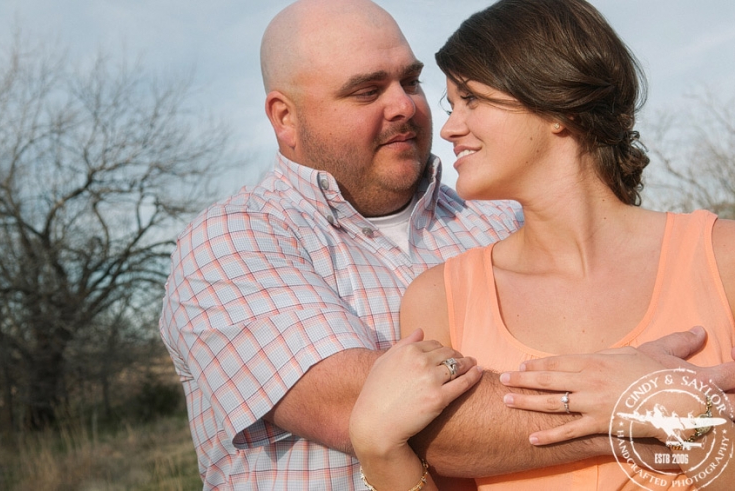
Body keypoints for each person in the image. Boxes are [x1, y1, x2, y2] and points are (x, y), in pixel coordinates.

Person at [159, 0, 732, 489]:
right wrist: (661, 411)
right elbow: (406, 420)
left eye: (410, 81)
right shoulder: (231, 242)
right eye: (366, 91)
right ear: (285, 118)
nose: (408, 107)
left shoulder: (501, 220)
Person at [349, 0, 735, 489]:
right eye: (451, 105)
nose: (448, 128)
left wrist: (663, 404)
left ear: (556, 104)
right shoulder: (441, 298)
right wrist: (379, 450)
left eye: (471, 99)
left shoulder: (723, 258)